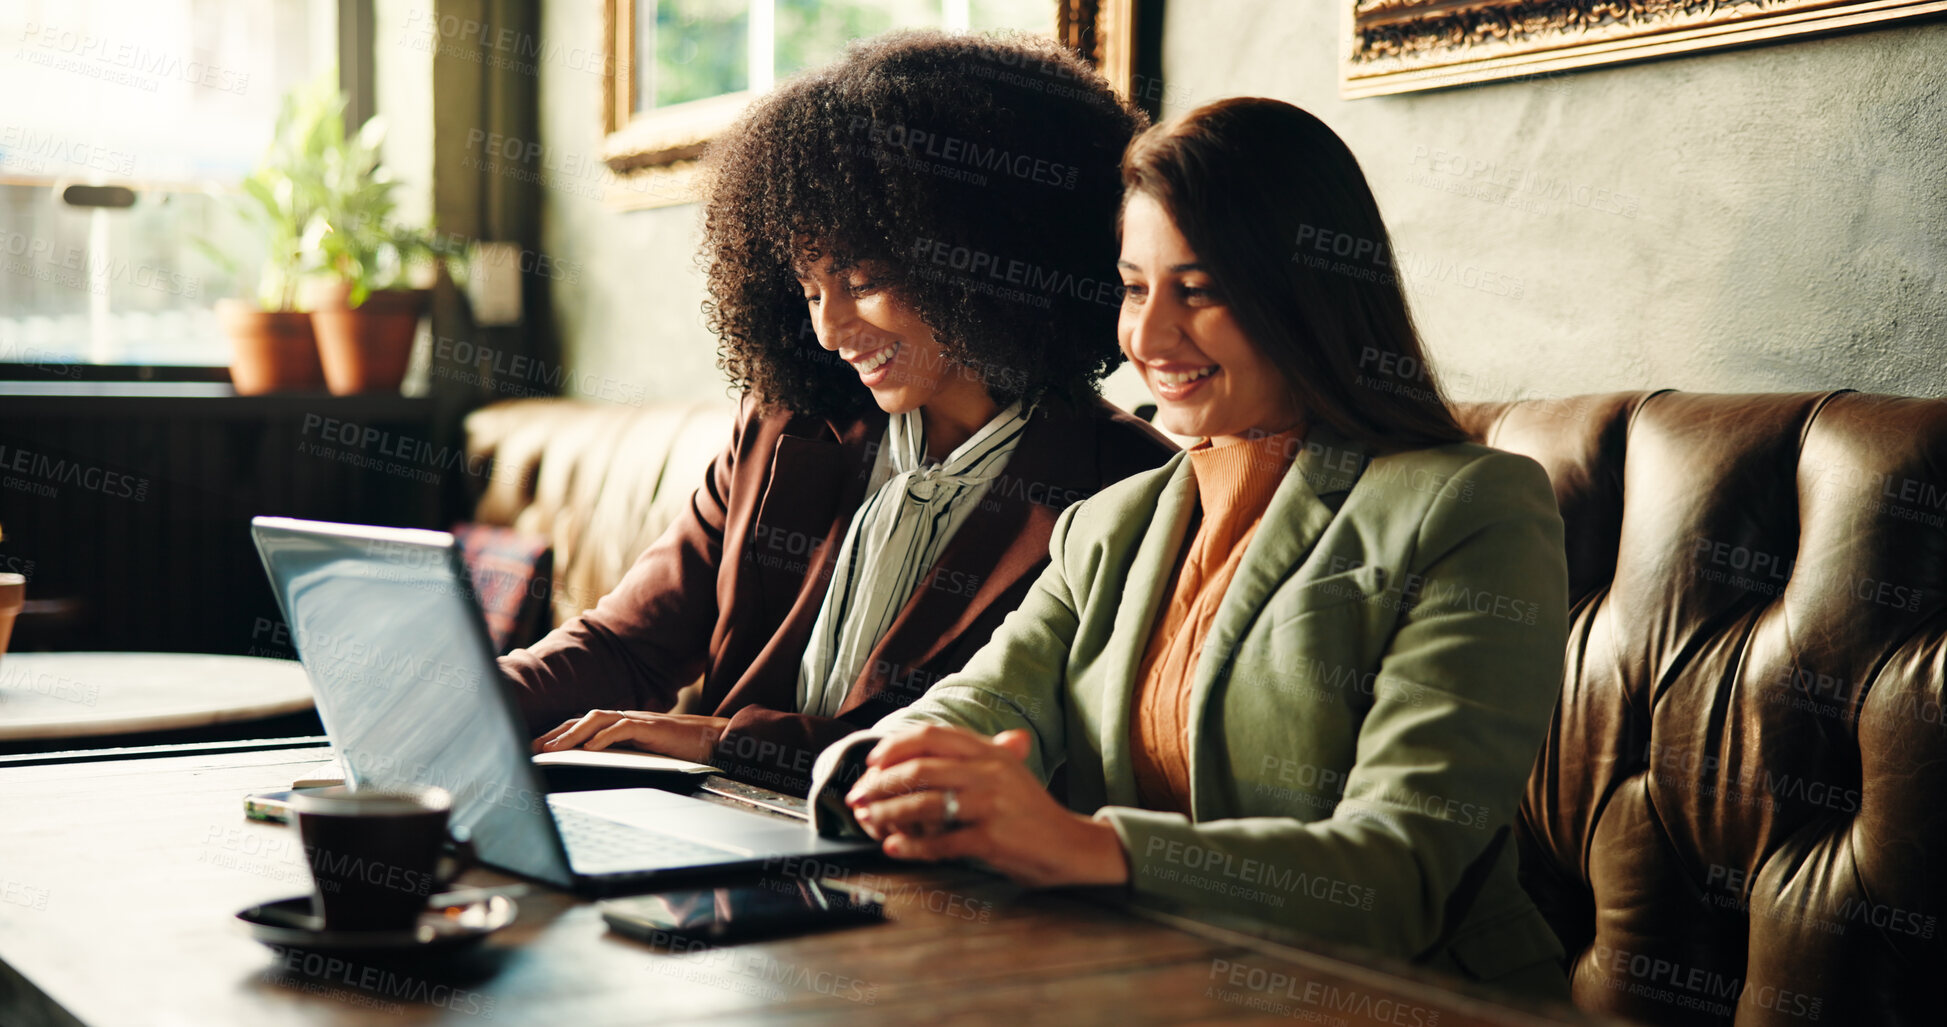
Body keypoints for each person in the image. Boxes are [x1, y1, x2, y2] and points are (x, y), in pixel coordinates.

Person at [832, 97, 1573, 999]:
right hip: (1143, 985)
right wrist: (879, 772)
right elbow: (977, 703)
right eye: (1135, 288)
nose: (1146, 338)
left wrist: (1082, 844)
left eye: (1199, 290)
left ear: (1304, 292)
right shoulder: (1106, 525)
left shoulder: (1470, 509)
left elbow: (1397, 872)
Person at [501, 31, 1176, 795]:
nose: (827, 329)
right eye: (809, 287)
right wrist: (454, 693)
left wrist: (726, 743)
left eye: (862, 279)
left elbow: (982, 753)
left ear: (982, 261)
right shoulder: (786, 427)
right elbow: (628, 646)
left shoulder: (1126, 486)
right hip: (711, 836)